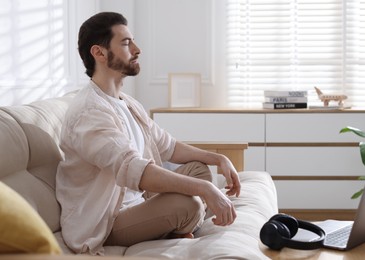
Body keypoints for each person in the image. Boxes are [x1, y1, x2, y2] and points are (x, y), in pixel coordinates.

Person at [56, 12, 241, 255]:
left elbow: (169, 147)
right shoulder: (90, 112)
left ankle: (177, 227)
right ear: (99, 53)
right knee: (189, 203)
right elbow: (134, 169)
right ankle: (180, 225)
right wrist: (205, 189)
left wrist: (218, 158)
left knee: (199, 168)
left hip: (142, 201)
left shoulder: (126, 102)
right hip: (108, 220)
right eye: (125, 43)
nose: (137, 49)